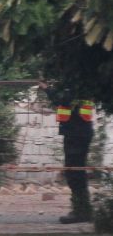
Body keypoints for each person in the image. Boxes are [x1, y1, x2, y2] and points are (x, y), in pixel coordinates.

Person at [39, 82, 95, 224]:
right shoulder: (80, 81)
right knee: (76, 172)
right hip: (77, 131)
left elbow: (62, 99)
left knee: (74, 172)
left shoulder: (75, 84)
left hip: (76, 133)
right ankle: (82, 210)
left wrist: (47, 88)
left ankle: (80, 211)